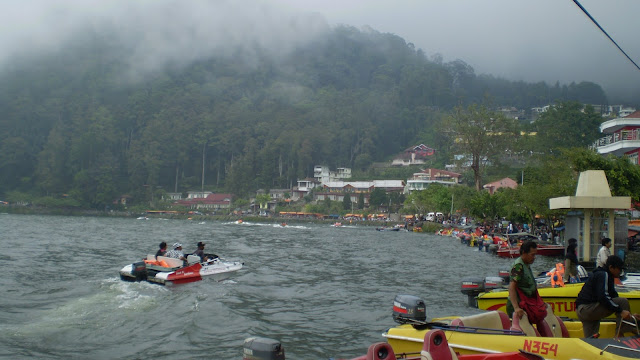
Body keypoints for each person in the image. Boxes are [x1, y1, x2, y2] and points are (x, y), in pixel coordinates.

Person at [576, 255, 636, 338]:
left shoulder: (603, 275)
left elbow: (613, 296)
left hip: (583, 310)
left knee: (591, 339)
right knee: (623, 301)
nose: (620, 272)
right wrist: (621, 311)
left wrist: (629, 315)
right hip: (588, 309)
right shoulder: (604, 275)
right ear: (611, 267)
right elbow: (603, 297)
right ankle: (621, 335)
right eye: (619, 269)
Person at [507, 241, 547, 324]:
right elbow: (512, 287)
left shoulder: (526, 265)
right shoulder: (518, 266)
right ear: (524, 253)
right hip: (520, 306)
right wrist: (516, 308)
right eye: (532, 255)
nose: (534, 257)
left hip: (528, 305)